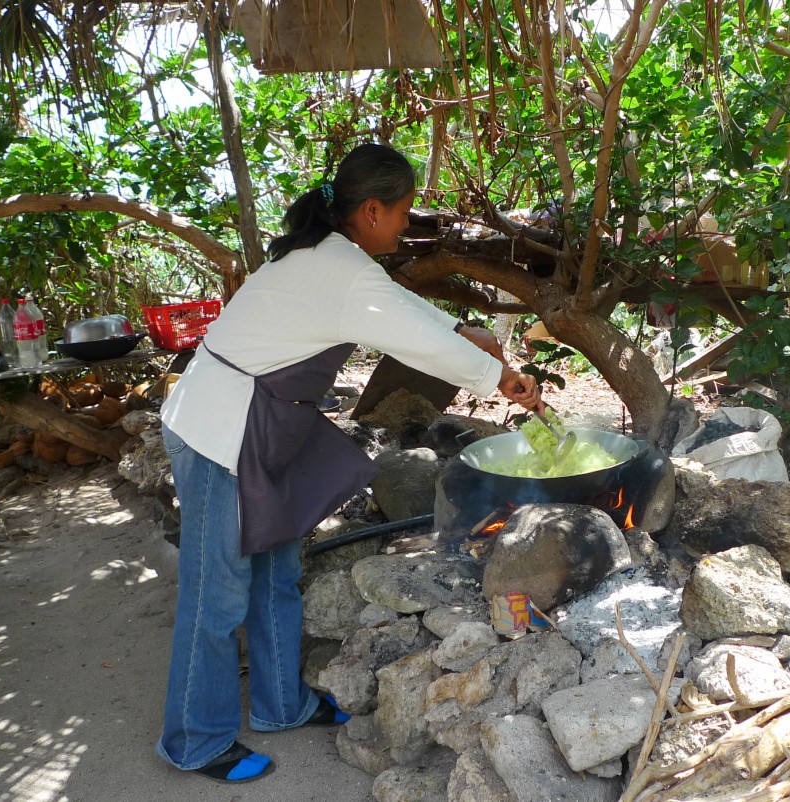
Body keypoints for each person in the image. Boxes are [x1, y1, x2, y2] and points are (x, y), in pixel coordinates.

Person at [155, 143, 541, 784]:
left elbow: (405, 313)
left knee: (276, 570)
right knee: (216, 595)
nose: (405, 223)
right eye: (402, 212)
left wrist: (467, 335)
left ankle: (284, 705)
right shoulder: (339, 270)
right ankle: (194, 740)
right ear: (370, 210)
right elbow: (409, 329)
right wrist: (497, 376)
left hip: (262, 426)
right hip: (218, 431)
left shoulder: (336, 259)